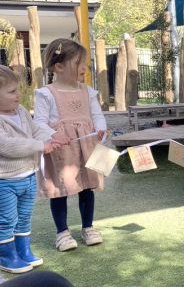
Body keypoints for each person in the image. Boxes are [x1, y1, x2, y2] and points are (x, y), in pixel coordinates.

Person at [33, 38, 107, 251]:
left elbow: (97, 115)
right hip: (61, 150)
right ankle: (62, 232)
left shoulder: (88, 91)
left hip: (86, 147)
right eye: (78, 63)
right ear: (59, 66)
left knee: (87, 186)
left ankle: (88, 227)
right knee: (60, 189)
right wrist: (53, 135)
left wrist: (100, 129)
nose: (84, 67)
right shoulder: (46, 93)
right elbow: (39, 122)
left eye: (84, 62)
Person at [0, 66, 67, 273]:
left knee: (25, 215)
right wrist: (40, 146)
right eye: (12, 92)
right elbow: (7, 145)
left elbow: (35, 128)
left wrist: (52, 136)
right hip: (5, 180)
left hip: (28, 175)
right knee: (7, 219)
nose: (18, 95)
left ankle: (23, 250)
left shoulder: (20, 111)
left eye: (18, 89)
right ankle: (6, 256)